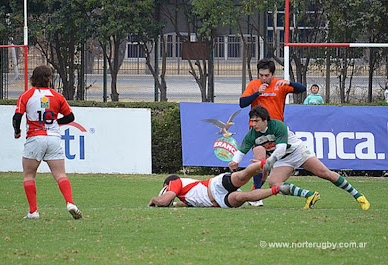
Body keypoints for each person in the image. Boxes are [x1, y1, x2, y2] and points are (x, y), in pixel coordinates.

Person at [228, 105, 370, 210]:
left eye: (257, 121)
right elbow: (242, 150)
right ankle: (309, 195)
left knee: (325, 173)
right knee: (275, 184)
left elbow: (282, 148)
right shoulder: (253, 134)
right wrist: (235, 162)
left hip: (297, 152)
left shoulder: (277, 125)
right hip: (282, 160)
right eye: (252, 121)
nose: (254, 124)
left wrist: (270, 161)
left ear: (265, 120)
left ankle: (358, 196)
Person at [12, 65, 82, 220]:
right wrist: (56, 122)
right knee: (60, 174)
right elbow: (70, 117)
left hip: (35, 138)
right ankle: (70, 203)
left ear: (33, 78)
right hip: (53, 138)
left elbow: (17, 117)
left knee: (29, 174)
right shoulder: (57, 96)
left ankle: (33, 212)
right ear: (49, 78)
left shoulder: (27, 96)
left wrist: (17, 131)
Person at [239, 58, 306, 206]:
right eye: (261, 75)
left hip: (276, 132)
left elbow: (302, 89)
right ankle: (256, 196)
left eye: (266, 75)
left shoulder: (279, 84)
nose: (263, 78)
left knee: (267, 168)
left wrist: (289, 83)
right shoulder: (253, 85)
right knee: (260, 160)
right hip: (257, 131)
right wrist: (257, 93)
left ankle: (254, 192)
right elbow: (242, 103)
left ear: (273, 74)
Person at [148, 161, 290, 208]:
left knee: (241, 176)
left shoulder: (175, 182)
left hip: (214, 185)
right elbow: (182, 203)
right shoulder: (184, 196)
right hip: (220, 200)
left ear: (167, 184)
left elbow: (164, 201)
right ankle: (278, 189)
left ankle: (266, 162)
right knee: (243, 196)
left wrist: (154, 200)